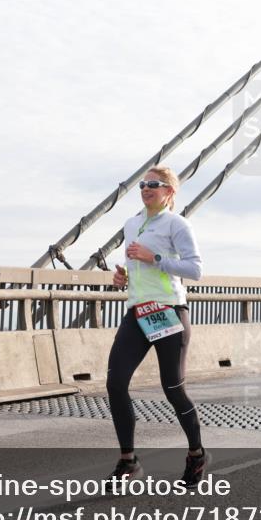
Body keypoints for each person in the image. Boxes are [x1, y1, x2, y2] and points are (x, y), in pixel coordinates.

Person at [106, 166, 208, 486]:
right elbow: (136, 268)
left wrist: (155, 258)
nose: (146, 188)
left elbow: (195, 270)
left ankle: (196, 454)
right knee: (115, 383)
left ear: (169, 192)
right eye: (142, 184)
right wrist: (123, 277)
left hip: (168, 311)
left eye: (154, 184)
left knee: (173, 389)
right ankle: (129, 461)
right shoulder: (131, 224)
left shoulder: (177, 224)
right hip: (138, 311)